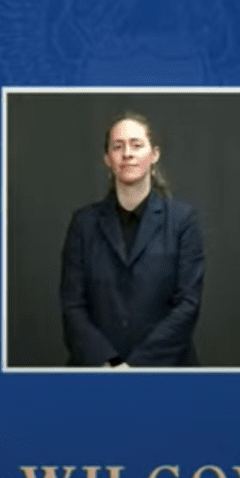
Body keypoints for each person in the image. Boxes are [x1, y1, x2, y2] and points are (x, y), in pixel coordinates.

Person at [59, 112, 205, 368]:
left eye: (137, 145)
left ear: (154, 155)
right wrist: (109, 362)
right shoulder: (83, 224)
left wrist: (136, 368)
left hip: (166, 371)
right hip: (98, 372)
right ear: (107, 159)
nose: (127, 153)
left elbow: (187, 305)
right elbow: (73, 306)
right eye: (118, 146)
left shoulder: (183, 221)